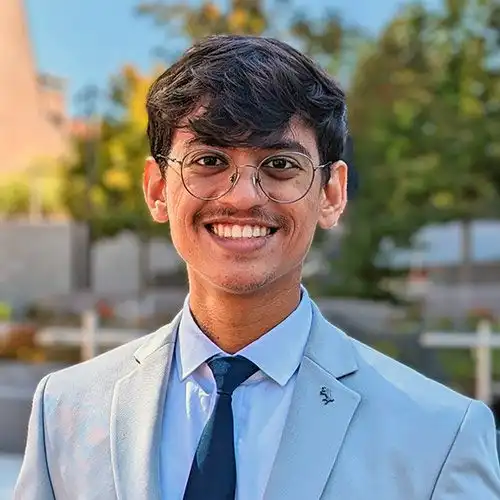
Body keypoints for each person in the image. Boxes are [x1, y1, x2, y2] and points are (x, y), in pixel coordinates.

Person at [15, 35, 500, 500]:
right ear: (158, 189)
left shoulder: (439, 436)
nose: (243, 196)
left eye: (281, 165)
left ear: (331, 194)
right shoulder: (65, 408)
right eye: (208, 160)